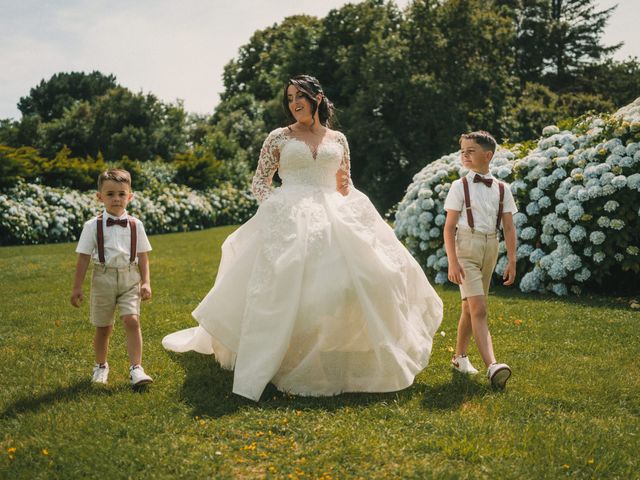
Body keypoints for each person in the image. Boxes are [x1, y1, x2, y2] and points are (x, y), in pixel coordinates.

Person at [162, 75, 443, 401]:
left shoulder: (338, 139)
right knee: (286, 285)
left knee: (363, 277)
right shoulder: (279, 137)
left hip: (333, 214)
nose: (294, 103)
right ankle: (282, 356)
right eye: (290, 98)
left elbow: (344, 184)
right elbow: (260, 184)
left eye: (301, 97)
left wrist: (357, 216)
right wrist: (278, 211)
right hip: (288, 214)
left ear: (317, 98)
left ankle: (335, 350)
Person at [443, 131, 517, 389]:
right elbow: (449, 227)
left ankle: (459, 358)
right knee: (479, 309)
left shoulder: (502, 188)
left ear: (488, 155)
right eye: (462, 150)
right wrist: (452, 262)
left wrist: (512, 261)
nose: (464, 154)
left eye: (470, 150)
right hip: (466, 247)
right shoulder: (458, 186)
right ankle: (493, 366)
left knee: (469, 307)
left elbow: (508, 228)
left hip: (491, 247)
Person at [71, 169, 154, 386]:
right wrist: (76, 288)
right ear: (100, 196)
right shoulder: (92, 226)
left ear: (130, 196)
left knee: (132, 320)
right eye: (110, 194)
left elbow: (143, 256)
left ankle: (136, 368)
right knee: (103, 327)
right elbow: (83, 259)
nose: (116, 199)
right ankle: (100, 366)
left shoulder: (137, 225)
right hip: (102, 278)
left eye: (121, 194)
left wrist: (146, 281)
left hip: (130, 278)